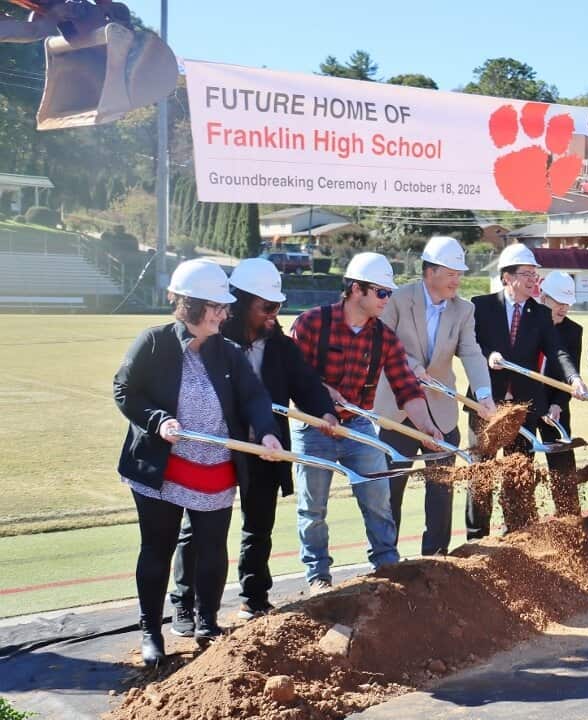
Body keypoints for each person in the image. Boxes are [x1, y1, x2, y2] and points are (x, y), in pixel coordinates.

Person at [113, 259, 281, 665]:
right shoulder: (152, 343)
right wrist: (159, 421)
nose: (225, 314)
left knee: (211, 549)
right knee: (157, 548)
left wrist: (267, 430)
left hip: (215, 468)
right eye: (216, 307)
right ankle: (151, 630)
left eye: (224, 307)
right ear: (190, 305)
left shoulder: (228, 352)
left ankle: (208, 624)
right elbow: (124, 391)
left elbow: (254, 396)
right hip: (162, 469)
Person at [169, 258, 337, 630]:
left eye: (278, 307)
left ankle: (254, 597)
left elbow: (306, 384)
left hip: (265, 449)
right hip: (216, 451)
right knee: (196, 529)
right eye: (267, 307)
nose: (274, 315)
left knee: (258, 527)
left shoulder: (280, 345)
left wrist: (325, 413)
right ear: (241, 302)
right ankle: (185, 604)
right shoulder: (211, 340)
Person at [291, 252, 441, 593]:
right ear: (356, 290)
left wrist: (427, 426)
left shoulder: (384, 338)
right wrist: (322, 394)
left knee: (377, 497)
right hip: (313, 427)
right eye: (381, 293)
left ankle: (386, 563)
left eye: (388, 293)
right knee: (312, 507)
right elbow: (295, 377)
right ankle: (318, 576)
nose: (387, 300)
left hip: (358, 426)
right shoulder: (311, 324)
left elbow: (407, 386)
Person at [375, 236, 495, 556]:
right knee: (391, 487)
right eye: (452, 272)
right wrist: (411, 366)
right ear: (430, 272)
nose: (458, 279)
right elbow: (382, 342)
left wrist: (483, 394)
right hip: (398, 411)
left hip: (441, 413)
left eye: (460, 273)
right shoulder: (398, 300)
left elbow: (471, 353)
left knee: (441, 488)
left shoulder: (464, 309)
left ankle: (436, 557)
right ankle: (387, 558)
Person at [469, 243, 587, 537]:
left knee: (518, 473)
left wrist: (574, 379)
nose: (534, 279)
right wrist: (488, 354)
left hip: (523, 408)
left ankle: (518, 534)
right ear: (507, 277)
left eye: (535, 273)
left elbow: (558, 352)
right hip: (487, 404)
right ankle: (476, 539)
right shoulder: (481, 306)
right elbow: (468, 345)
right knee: (481, 473)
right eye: (527, 273)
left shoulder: (539, 314)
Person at [537, 270, 584, 513]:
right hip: (527, 403)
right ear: (543, 296)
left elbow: (571, 371)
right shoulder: (528, 321)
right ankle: (519, 525)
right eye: (559, 302)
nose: (564, 308)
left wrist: (557, 404)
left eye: (567, 303)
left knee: (562, 462)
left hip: (556, 407)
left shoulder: (573, 331)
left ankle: (570, 517)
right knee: (519, 463)